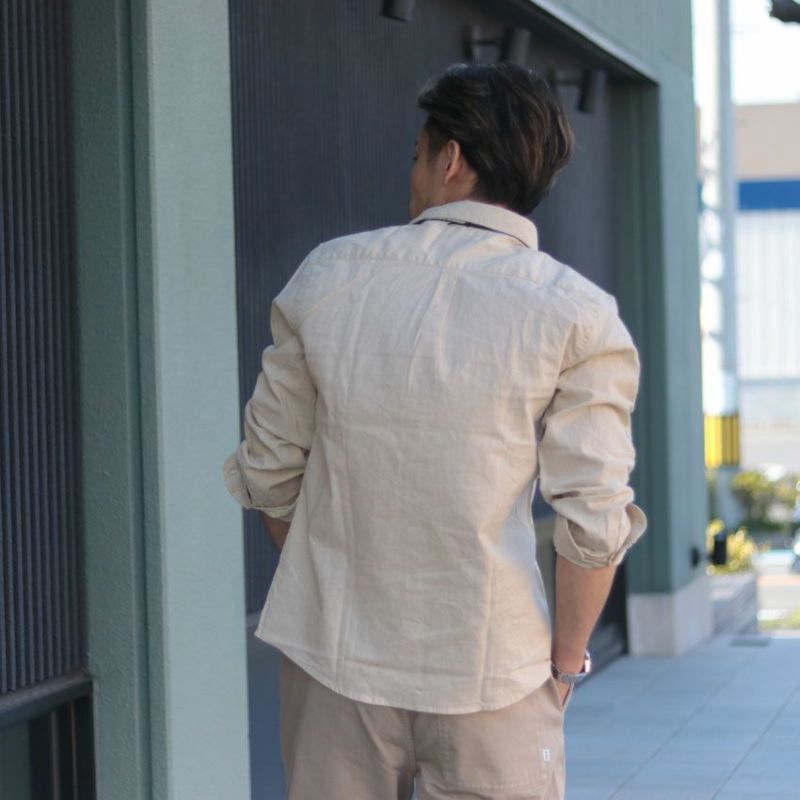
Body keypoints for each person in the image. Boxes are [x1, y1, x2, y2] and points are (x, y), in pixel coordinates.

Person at [224, 62, 648, 800]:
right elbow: (594, 520)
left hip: (334, 662)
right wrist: (565, 666)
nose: (414, 172)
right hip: (494, 669)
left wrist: (335, 584)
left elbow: (268, 470)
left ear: (450, 158)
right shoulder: (577, 312)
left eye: (417, 154)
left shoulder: (329, 275)